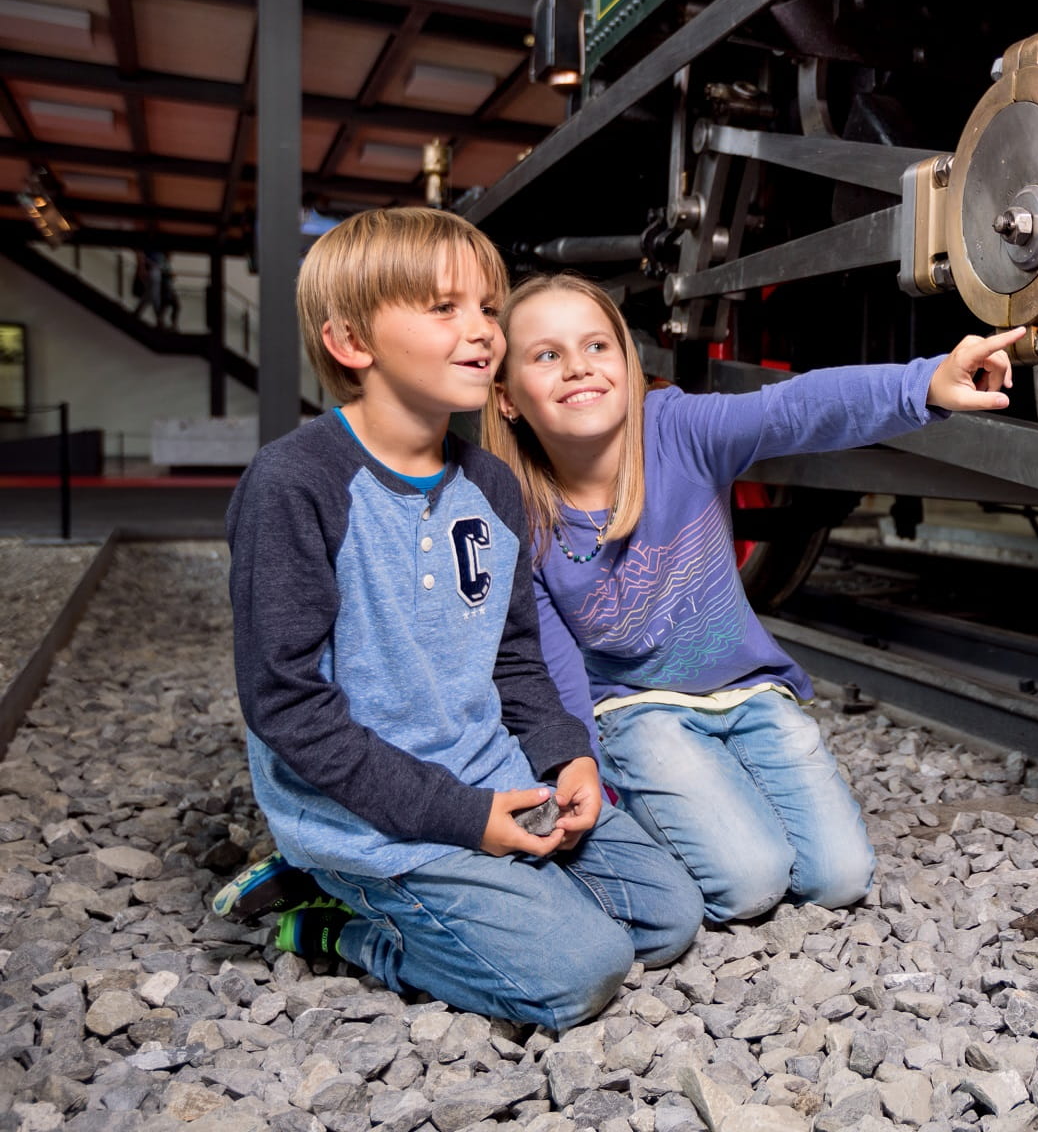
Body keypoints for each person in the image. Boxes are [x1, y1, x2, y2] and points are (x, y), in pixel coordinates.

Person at [219, 209, 702, 1031]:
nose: (483, 331)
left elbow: (513, 658)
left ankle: (457, 903)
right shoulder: (292, 485)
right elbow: (287, 706)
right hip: (366, 813)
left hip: (491, 776)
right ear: (351, 342)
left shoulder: (492, 485)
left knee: (669, 916)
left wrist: (566, 758)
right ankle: (338, 921)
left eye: (487, 308)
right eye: (444, 309)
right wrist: (465, 822)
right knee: (578, 974)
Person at [483, 272, 1021, 924]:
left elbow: (790, 408)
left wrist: (924, 382)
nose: (578, 367)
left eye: (598, 346)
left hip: (750, 694)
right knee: (748, 884)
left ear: (626, 363)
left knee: (839, 878)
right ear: (506, 398)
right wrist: (585, 772)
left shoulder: (676, 429)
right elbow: (555, 668)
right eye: (547, 355)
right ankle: (666, 798)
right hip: (639, 709)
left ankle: (709, 791)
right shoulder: (518, 515)